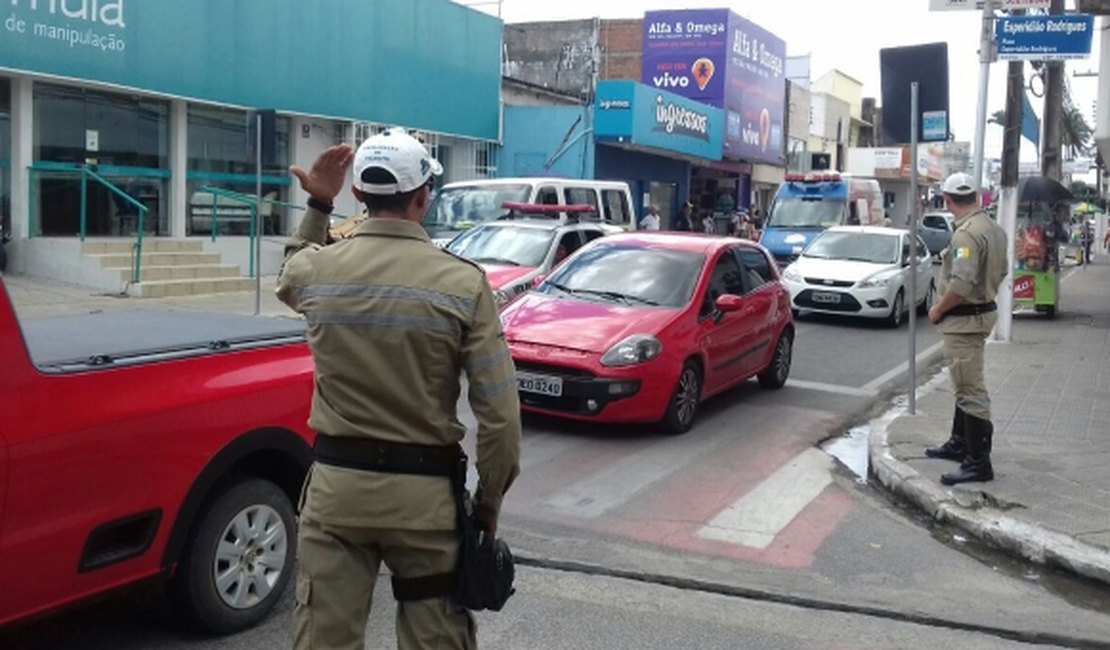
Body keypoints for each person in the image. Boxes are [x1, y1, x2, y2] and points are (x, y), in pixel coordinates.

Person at [276, 130, 522, 649]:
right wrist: (487, 509)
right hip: (426, 504)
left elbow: (291, 270)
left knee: (323, 638)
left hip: (337, 495)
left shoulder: (317, 270)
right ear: (424, 195)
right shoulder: (464, 283)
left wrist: (320, 203)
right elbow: (500, 416)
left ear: (359, 196)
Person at [925, 172, 1009, 486]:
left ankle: (978, 462)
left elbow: (960, 283)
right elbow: (1002, 271)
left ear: (947, 201)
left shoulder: (965, 235)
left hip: (964, 321)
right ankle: (960, 444)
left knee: (970, 389)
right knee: (964, 382)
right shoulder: (994, 229)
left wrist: (938, 309)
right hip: (981, 314)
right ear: (976, 196)